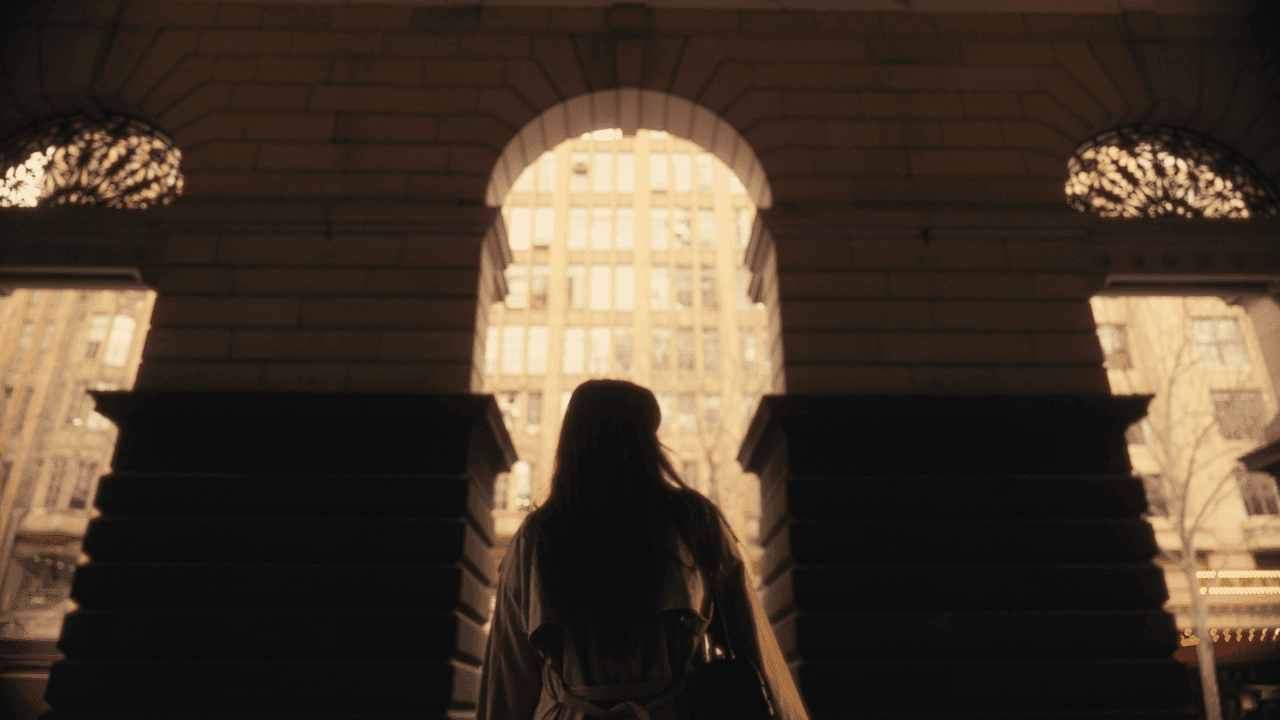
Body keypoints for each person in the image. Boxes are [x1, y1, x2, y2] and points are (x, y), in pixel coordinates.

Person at [477, 379, 809, 720]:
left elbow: (508, 677)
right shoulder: (693, 522)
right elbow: (753, 643)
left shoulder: (535, 538)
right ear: (648, 442)